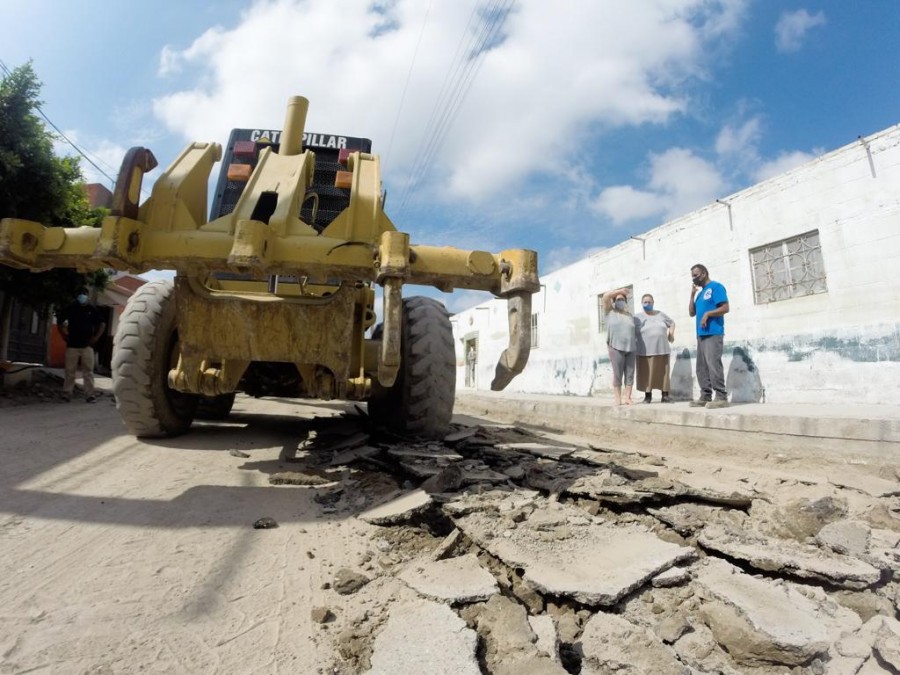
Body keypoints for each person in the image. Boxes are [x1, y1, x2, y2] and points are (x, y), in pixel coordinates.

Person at [688, 264, 729, 408]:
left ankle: (721, 397)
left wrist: (708, 314)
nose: (694, 278)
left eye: (696, 275)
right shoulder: (700, 294)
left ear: (704, 273)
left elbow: (725, 307)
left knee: (713, 365)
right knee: (701, 367)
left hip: (713, 332)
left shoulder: (716, 287)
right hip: (701, 334)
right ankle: (705, 396)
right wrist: (692, 295)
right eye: (692, 275)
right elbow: (692, 313)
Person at [57, 286, 106, 403]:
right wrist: (63, 335)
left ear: (87, 296)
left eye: (84, 294)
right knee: (69, 371)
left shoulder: (92, 309)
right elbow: (60, 321)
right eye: (80, 294)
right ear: (77, 296)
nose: (82, 296)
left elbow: (102, 323)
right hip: (72, 345)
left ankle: (90, 395)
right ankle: (67, 393)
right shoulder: (71, 308)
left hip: (87, 346)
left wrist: (96, 337)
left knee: (88, 371)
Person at [635, 294, 675, 403]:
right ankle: (648, 396)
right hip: (645, 351)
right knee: (647, 374)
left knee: (664, 373)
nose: (647, 304)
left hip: (662, 348)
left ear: (653, 303)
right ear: (642, 303)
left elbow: (671, 323)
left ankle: (665, 395)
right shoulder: (637, 318)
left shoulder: (660, 314)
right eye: (645, 302)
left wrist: (671, 334)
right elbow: (630, 330)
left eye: (649, 302)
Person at [601, 287, 636, 406]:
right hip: (615, 347)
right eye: (618, 300)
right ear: (614, 301)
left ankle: (628, 397)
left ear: (625, 302)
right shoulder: (609, 312)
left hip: (631, 347)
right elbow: (606, 296)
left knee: (630, 373)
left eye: (622, 299)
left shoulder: (630, 315)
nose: (620, 302)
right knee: (617, 374)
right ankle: (617, 398)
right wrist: (619, 291)